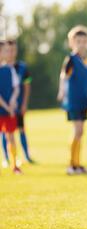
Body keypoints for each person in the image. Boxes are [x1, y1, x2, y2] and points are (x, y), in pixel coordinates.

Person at [57, 26, 87, 175]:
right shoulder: (71, 59)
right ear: (72, 43)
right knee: (78, 131)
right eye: (78, 41)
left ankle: (77, 165)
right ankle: (72, 165)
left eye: (84, 41)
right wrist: (61, 92)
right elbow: (63, 76)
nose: (81, 44)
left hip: (84, 100)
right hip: (73, 101)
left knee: (81, 132)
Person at [1, 39, 34, 166]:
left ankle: (26, 156)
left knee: (21, 129)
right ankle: (7, 158)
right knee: (5, 132)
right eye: (8, 50)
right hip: (4, 107)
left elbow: (26, 84)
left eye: (14, 50)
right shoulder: (3, 68)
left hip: (17, 106)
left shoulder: (22, 67)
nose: (11, 53)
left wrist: (24, 103)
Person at [0, 41, 22, 174]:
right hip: (4, 108)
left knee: (11, 137)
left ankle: (14, 165)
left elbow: (16, 88)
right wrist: (6, 106)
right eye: (3, 51)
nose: (6, 53)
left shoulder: (9, 69)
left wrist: (12, 102)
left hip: (9, 110)